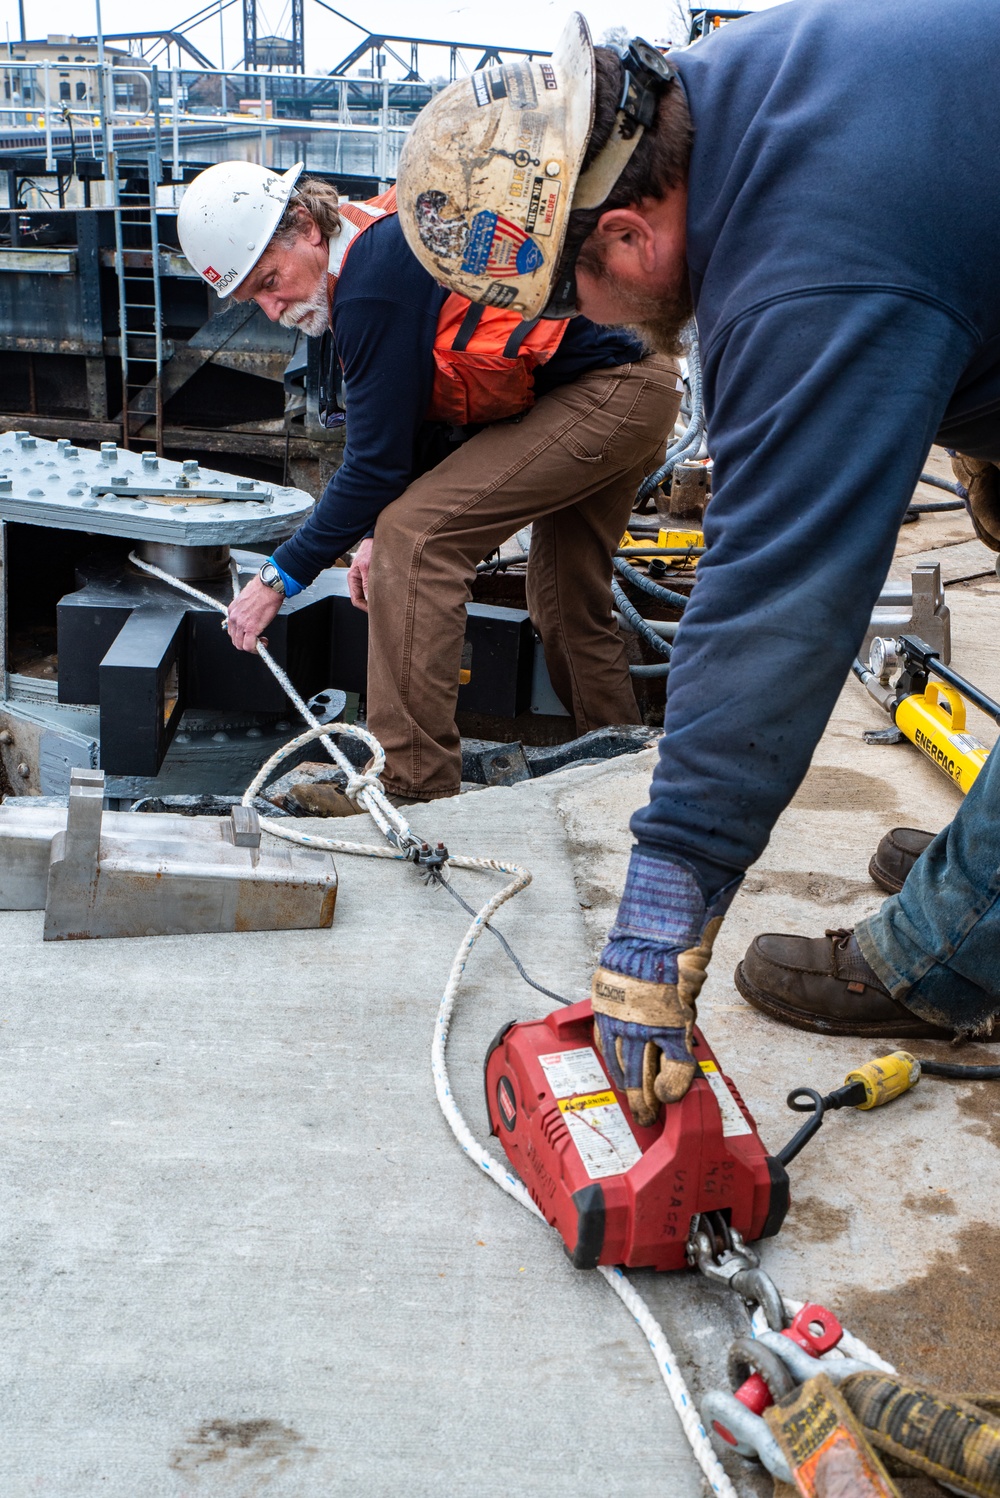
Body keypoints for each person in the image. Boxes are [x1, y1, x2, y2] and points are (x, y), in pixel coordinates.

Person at [395, 0, 1000, 1125]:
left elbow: (774, 598)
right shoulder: (732, 88)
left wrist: (661, 913)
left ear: (623, 237)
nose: (590, 318)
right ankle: (984, 869)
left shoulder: (802, 265)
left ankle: (949, 954)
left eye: (570, 293)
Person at [175, 160, 681, 804]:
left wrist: (279, 577)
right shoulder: (375, 243)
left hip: (608, 390)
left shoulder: (368, 284)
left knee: (416, 543)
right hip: (634, 377)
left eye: (271, 282)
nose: (276, 310)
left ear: (304, 225)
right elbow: (418, 427)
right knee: (562, 595)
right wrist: (366, 537)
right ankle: (621, 771)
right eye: (256, 300)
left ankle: (413, 783)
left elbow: (375, 464)